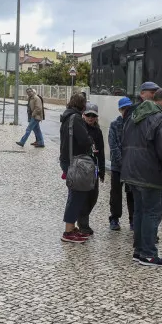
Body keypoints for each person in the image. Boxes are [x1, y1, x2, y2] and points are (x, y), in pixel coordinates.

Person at [122, 87, 162, 267]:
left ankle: (139, 251)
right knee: (152, 213)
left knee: (140, 212)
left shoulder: (133, 116)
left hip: (132, 173)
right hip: (151, 176)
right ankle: (149, 254)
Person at [60, 93, 95, 243]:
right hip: (76, 162)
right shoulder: (76, 119)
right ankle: (68, 232)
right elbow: (84, 141)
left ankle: (71, 227)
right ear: (82, 105)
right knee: (77, 196)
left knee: (73, 195)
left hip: (68, 160)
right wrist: (90, 140)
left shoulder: (67, 117)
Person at [77, 103, 106, 236]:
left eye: (93, 115)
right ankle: (83, 224)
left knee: (93, 196)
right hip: (82, 167)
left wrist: (102, 170)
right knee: (84, 197)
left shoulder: (98, 131)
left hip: (93, 168)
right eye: (88, 115)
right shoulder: (80, 128)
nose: (90, 117)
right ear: (84, 115)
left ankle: (82, 219)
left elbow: (101, 152)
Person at [108, 96, 135, 231]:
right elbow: (113, 146)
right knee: (116, 193)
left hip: (131, 166)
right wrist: (122, 162)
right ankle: (114, 218)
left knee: (132, 194)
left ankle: (133, 220)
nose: (126, 111)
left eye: (128, 108)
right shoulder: (114, 124)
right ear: (120, 110)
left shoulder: (135, 123)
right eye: (124, 109)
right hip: (117, 166)